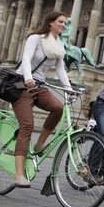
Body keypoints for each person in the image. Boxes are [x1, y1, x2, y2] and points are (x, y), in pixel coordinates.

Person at [12, 11, 72, 188]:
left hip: (40, 86)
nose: (63, 25)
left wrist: (69, 89)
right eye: (61, 22)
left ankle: (39, 144)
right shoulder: (35, 38)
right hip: (22, 85)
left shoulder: (59, 45)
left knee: (58, 107)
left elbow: (60, 69)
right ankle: (19, 174)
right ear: (51, 22)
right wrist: (28, 78)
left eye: (65, 23)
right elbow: (26, 59)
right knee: (27, 125)